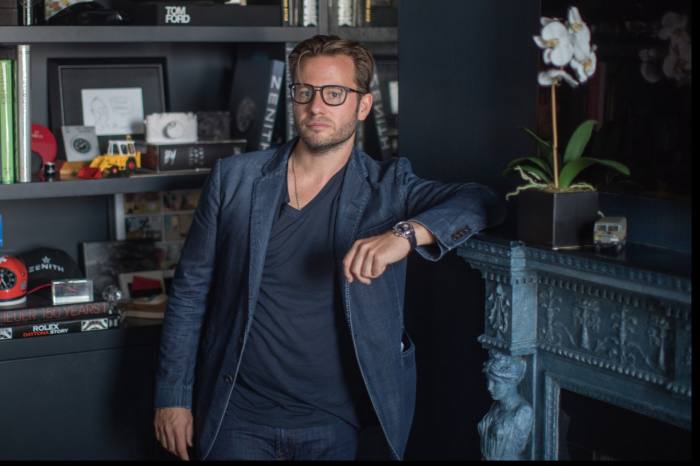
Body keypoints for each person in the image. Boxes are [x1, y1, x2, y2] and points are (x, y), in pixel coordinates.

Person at [153, 34, 505, 461]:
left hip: (335, 423)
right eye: (306, 91)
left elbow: (482, 201)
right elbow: (190, 293)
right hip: (237, 415)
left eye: (334, 94)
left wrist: (405, 235)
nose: (317, 106)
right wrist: (173, 397)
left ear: (362, 105)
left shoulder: (388, 187)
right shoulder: (235, 180)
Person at [477, 351, 533, 460]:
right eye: (488, 381)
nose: (489, 387)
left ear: (511, 383)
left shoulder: (523, 412)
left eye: (496, 382)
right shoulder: (496, 406)